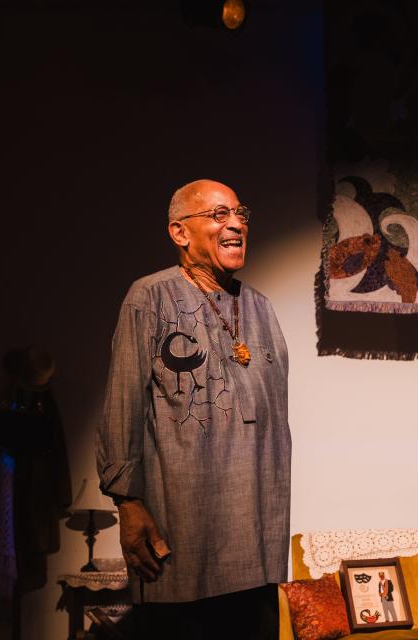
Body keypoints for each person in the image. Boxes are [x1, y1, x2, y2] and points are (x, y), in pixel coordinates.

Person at [97, 179, 291, 639]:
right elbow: (123, 401)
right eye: (219, 215)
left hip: (259, 533)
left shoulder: (260, 308)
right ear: (180, 233)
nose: (237, 223)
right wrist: (128, 502)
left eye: (240, 213)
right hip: (182, 527)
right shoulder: (150, 298)